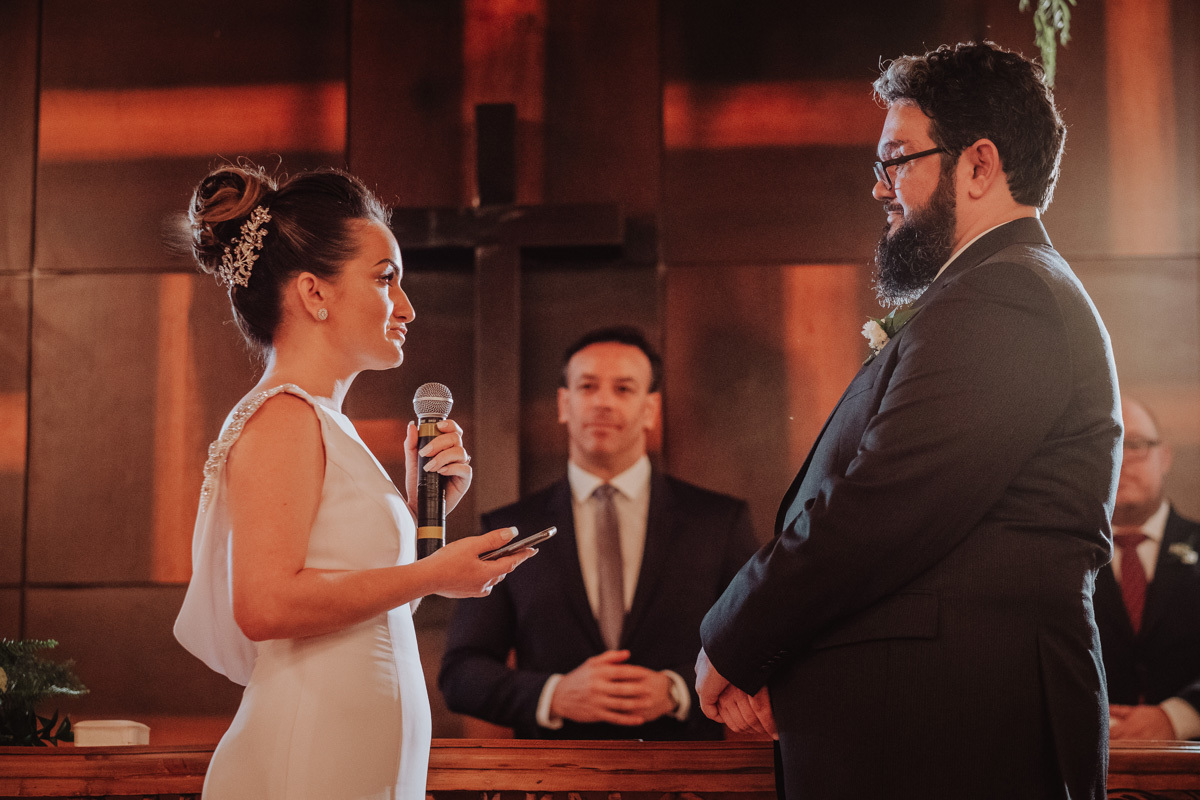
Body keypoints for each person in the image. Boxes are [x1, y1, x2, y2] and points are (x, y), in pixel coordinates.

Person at [696, 42, 1121, 799]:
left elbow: (879, 511)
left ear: (979, 164)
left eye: (897, 159)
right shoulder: (991, 293)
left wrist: (732, 640)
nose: (879, 188)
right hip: (928, 732)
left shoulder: (1006, 300)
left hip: (955, 739)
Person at [173, 162, 534, 799]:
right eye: (385, 279)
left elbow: (373, 611)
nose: (406, 307)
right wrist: (434, 572)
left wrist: (430, 520)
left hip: (355, 747)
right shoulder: (284, 416)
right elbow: (264, 606)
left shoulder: (325, 422)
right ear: (315, 294)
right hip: (310, 751)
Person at [438, 326, 757, 739]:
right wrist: (552, 695)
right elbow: (461, 673)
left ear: (650, 409)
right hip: (550, 781)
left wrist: (678, 690)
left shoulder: (719, 521)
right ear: (564, 403)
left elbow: (758, 645)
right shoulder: (507, 530)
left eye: (624, 389)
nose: (603, 402)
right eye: (588, 386)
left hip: (686, 776)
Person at [1099, 397, 1200, 741]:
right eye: (1107, 444)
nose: (1121, 458)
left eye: (1136, 445)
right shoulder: (1060, 560)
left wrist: (1176, 717)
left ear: (1165, 456)